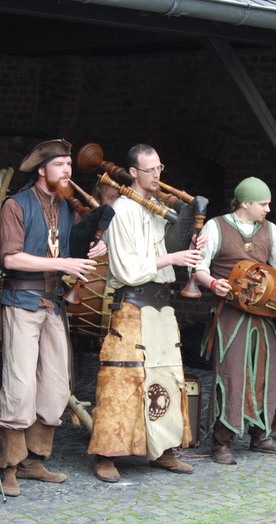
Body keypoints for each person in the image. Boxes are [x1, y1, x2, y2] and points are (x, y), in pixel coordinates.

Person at [87, 143, 205, 482]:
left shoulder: (158, 208)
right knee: (122, 380)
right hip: (131, 304)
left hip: (162, 305)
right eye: (150, 169)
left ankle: (163, 450)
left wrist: (190, 244)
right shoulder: (121, 211)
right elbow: (127, 269)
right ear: (133, 172)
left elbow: (169, 248)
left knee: (167, 376)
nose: (157, 175)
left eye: (159, 168)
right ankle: (107, 455)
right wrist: (172, 258)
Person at [0, 138, 106, 497]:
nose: (67, 171)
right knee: (20, 386)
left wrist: (96, 247)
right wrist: (63, 263)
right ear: (42, 170)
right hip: (22, 301)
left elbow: (74, 249)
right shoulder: (16, 205)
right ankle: (10, 464)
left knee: (56, 386)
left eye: (70, 165)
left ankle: (34, 460)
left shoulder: (67, 207)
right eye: (60, 165)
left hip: (53, 303)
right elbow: (11, 258)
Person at [193, 176, 276, 465]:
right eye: (263, 204)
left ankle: (261, 435)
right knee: (231, 376)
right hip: (229, 317)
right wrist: (213, 284)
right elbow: (198, 267)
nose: (268, 209)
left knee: (263, 375)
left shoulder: (270, 231)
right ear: (245, 203)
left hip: (262, 317)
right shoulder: (216, 227)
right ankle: (222, 441)